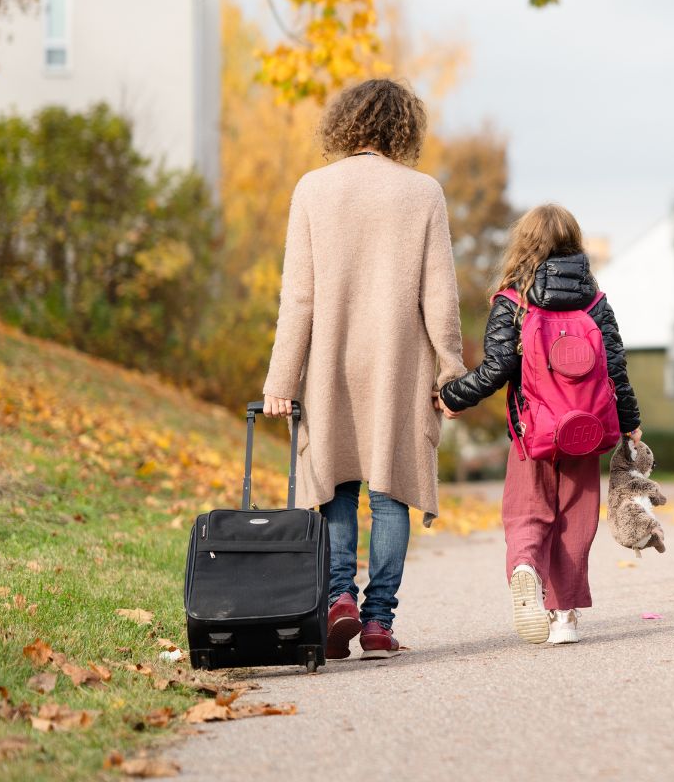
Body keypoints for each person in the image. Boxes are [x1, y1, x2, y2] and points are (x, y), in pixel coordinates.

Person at [261, 78, 467, 660]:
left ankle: (338, 600)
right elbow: (440, 298)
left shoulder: (312, 189)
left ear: (344, 125)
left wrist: (281, 380)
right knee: (390, 489)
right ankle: (378, 623)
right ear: (404, 128)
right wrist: (450, 370)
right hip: (398, 364)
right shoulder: (423, 193)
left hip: (331, 362)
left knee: (335, 485)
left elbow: (297, 298)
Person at [441, 204, 640, 646]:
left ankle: (526, 568)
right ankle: (564, 617)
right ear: (574, 244)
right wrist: (631, 423)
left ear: (524, 244)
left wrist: (453, 397)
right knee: (576, 520)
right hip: (585, 434)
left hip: (533, 434)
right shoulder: (595, 301)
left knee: (527, 513)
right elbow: (616, 368)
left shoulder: (513, 301)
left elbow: (496, 369)